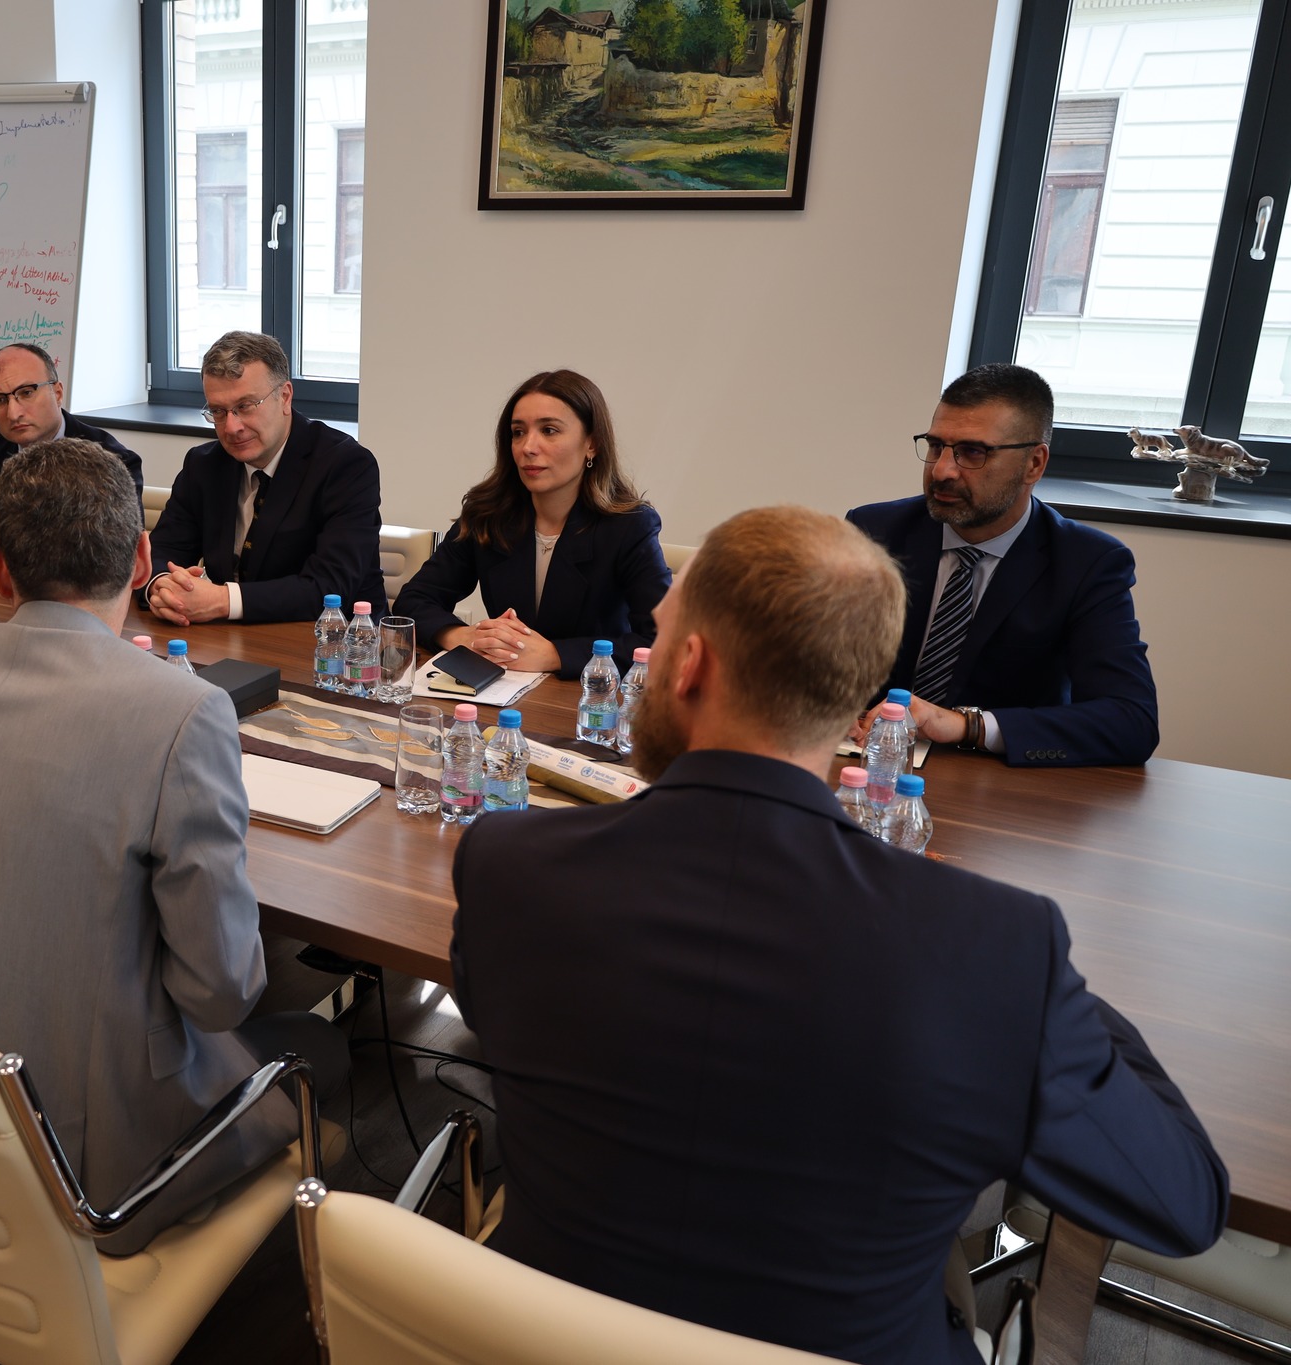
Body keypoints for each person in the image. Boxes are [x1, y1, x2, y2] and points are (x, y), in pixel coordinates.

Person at [451, 505, 1226, 1365]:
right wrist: (1046, 986)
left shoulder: (505, 865)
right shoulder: (993, 947)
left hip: (535, 1333)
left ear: (690, 666)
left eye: (658, 640)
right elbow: (1182, 1202)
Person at [0, 436, 347, 1255]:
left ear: (0, 568)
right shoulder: (183, 712)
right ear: (142, 557)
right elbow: (221, 991)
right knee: (323, 1044)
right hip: (92, 1162)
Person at [847, 363, 1158, 767]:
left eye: (973, 452)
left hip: (991, 782)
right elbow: (805, 658)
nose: (942, 470)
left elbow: (1130, 722)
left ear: (1034, 464)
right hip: (869, 766)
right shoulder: (875, 531)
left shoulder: (1087, 564)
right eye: (936, 446)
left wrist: (966, 725)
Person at [392, 369, 668, 678]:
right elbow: (414, 601)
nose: (528, 447)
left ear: (592, 443)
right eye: (518, 432)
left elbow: (663, 642)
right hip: (501, 690)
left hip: (589, 696)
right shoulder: (487, 514)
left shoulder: (630, 526)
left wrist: (555, 655)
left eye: (549, 430)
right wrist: (462, 636)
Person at [145, 330, 385, 625]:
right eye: (218, 411)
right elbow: (163, 551)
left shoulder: (345, 466)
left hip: (338, 640)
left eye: (245, 407)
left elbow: (329, 588)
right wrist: (161, 586)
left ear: (285, 397)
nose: (231, 427)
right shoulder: (204, 464)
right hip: (229, 637)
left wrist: (222, 600)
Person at [0, 342, 143, 584]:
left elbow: (104, 561)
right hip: (7, 601)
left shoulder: (111, 461)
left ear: (57, 393)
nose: (13, 413)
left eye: (27, 393)